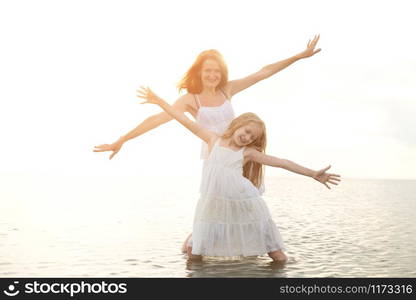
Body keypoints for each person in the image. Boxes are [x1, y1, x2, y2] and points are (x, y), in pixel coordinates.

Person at [137, 86, 341, 261]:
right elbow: (181, 118)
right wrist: (158, 101)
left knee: (276, 254)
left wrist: (313, 173)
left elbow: (281, 163)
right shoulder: (212, 139)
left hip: (245, 201)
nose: (246, 136)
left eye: (252, 136)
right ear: (237, 125)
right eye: (246, 130)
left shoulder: (248, 153)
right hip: (213, 203)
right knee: (193, 254)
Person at [93, 35, 321, 160]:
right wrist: (122, 139)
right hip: (216, 155)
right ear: (199, 73)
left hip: (240, 151)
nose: (212, 75)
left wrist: (299, 56)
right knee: (218, 209)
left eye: (217, 71)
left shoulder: (227, 90)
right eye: (208, 71)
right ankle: (194, 245)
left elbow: (263, 72)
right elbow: (156, 120)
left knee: (242, 208)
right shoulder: (191, 100)